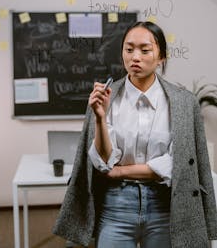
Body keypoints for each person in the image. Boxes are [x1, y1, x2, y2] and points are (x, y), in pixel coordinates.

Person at [53, 21, 217, 248]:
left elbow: (178, 162)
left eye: (145, 50)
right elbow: (103, 161)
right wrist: (100, 118)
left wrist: (121, 171)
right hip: (116, 205)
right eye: (129, 49)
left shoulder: (183, 102)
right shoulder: (107, 98)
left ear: (161, 57)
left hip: (167, 205)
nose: (135, 57)